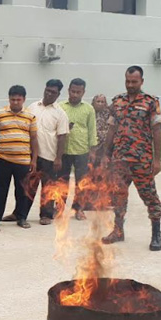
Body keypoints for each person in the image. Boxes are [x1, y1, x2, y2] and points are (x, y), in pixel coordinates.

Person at [102, 66, 161, 251]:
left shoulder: (151, 102)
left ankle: (156, 234)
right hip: (120, 160)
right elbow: (111, 129)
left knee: (150, 196)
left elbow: (157, 131)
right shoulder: (117, 102)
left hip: (141, 160)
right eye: (128, 81)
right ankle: (118, 231)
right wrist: (106, 155)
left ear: (141, 81)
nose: (130, 85)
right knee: (118, 197)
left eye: (134, 82)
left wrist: (157, 159)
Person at [0, 85, 38, 229]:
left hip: (23, 160)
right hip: (3, 159)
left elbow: (34, 139)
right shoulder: (0, 114)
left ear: (24, 99)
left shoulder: (30, 116)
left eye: (18, 99)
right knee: (1, 190)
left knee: (22, 191)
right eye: (13, 99)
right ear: (9, 99)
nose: (15, 102)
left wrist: (34, 160)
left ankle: (22, 217)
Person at [26, 79, 69, 225]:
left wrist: (58, 158)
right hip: (32, 155)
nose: (49, 94)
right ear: (44, 89)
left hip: (50, 156)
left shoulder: (60, 113)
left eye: (53, 92)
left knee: (48, 187)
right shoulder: (32, 107)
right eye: (48, 90)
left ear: (58, 95)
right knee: (28, 186)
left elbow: (62, 137)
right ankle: (21, 213)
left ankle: (46, 215)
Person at [57, 79, 97, 221]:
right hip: (64, 151)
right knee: (62, 181)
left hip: (82, 150)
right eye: (72, 91)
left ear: (83, 92)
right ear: (68, 90)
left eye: (78, 92)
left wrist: (92, 151)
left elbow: (92, 131)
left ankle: (78, 209)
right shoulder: (60, 107)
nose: (74, 94)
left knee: (81, 182)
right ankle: (60, 208)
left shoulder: (88, 109)